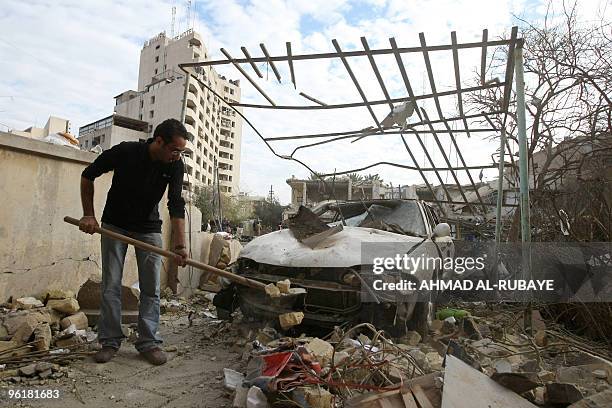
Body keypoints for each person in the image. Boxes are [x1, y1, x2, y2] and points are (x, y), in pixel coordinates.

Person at [79, 119, 189, 366]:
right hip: (115, 224)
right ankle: (109, 341)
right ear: (159, 141)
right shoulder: (126, 151)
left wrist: (180, 245)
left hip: (148, 228)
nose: (177, 156)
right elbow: (88, 175)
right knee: (111, 285)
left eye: (180, 152)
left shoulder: (175, 165)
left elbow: (176, 203)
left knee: (151, 288)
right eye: (174, 149)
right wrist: (88, 214)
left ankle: (148, 342)